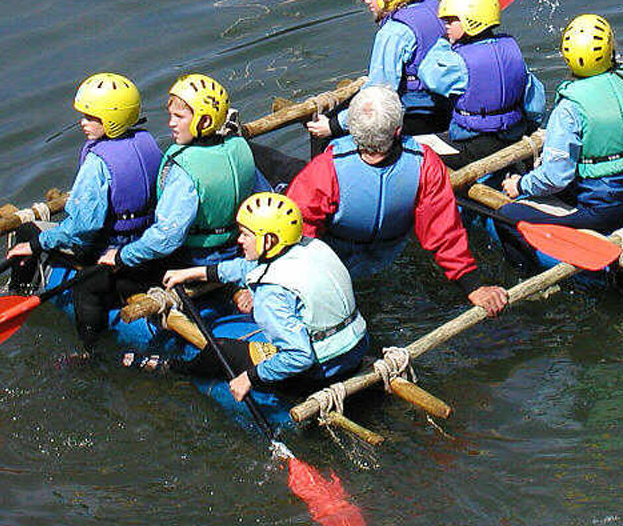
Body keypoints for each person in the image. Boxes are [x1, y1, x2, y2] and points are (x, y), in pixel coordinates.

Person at [288, 85, 509, 316]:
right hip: (390, 256)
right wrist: (474, 287)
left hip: (336, 265)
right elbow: (443, 231)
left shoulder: (325, 168)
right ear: (398, 130)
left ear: (352, 129)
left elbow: (298, 228)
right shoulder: (424, 163)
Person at [160, 193, 369, 401]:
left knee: (222, 349)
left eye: (245, 234)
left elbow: (300, 356)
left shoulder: (270, 292)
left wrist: (250, 377)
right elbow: (248, 267)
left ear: (268, 240)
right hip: (357, 348)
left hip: (320, 370)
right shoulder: (313, 247)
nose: (239, 240)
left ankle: (176, 368)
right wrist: (191, 273)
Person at [7, 72, 163, 349]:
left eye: (91, 117)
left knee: (27, 231)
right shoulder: (147, 142)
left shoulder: (97, 162)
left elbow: (84, 226)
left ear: (112, 119)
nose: (82, 122)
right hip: (145, 242)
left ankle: (17, 294)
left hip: (106, 248)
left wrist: (35, 244)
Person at [501, 14, 623, 233]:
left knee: (507, 214)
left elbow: (556, 176)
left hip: (603, 209)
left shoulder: (568, 108)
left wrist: (520, 185)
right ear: (610, 49)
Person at [98, 73, 256, 274]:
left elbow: (167, 236)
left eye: (179, 117)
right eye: (171, 115)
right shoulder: (240, 147)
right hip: (236, 245)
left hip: (195, 256)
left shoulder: (184, 168)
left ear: (204, 121)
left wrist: (122, 255)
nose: (170, 123)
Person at [307, 0, 451, 140]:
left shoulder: (393, 32)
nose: (366, 1)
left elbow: (379, 93)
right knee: (339, 112)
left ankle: (322, 156)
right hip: (445, 107)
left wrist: (334, 125)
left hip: (418, 114)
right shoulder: (434, 6)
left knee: (323, 128)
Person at [415, 0, 545, 169]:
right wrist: (529, 128)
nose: (446, 25)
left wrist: (443, 42)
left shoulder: (458, 62)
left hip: (472, 145)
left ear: (470, 21)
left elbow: (427, 74)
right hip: (512, 136)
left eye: (451, 20)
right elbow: (535, 104)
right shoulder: (512, 52)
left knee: (412, 146)